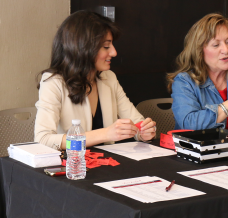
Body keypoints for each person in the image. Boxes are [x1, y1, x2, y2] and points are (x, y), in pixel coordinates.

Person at [35, 11, 156, 150]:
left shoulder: (108, 77)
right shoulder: (54, 82)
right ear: (82, 48)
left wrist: (143, 132)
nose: (114, 52)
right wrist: (105, 134)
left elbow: (137, 122)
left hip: (107, 164)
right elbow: (42, 140)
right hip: (72, 166)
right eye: (106, 46)